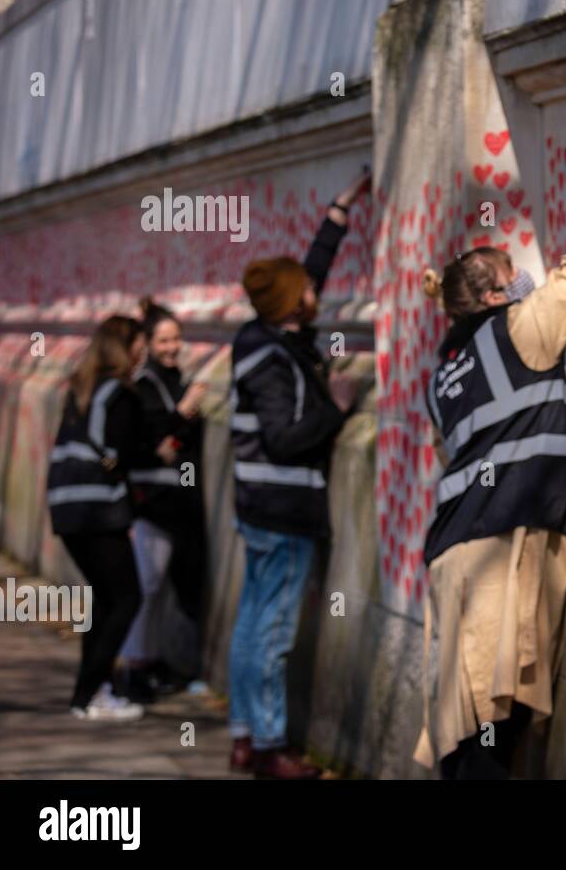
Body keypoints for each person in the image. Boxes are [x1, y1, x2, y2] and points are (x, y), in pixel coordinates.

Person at [412, 124, 566, 779]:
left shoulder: (442, 369)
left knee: (476, 729)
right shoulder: (521, 328)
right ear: (495, 293)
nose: (529, 281)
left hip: (459, 549)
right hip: (497, 549)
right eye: (516, 276)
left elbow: (499, 424)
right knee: (484, 738)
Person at [226, 168, 370, 779]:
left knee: (252, 623)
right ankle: (269, 748)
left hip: (261, 507)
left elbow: (309, 271)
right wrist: (336, 410)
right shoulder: (273, 360)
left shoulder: (263, 337)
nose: (316, 291)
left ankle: (244, 735)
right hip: (283, 510)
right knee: (272, 633)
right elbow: (285, 438)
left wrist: (341, 209)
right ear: (295, 304)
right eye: (306, 290)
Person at [47, 315, 148, 721]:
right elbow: (127, 452)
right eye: (139, 344)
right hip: (99, 507)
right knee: (126, 598)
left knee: (104, 600)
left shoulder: (81, 389)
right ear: (127, 349)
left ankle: (89, 694)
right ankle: (91, 692)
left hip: (67, 505)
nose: (141, 353)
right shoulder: (120, 394)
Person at [119, 297, 209, 702]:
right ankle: (134, 667)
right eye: (164, 340)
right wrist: (182, 416)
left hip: (182, 503)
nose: (172, 347)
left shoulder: (177, 381)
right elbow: (150, 444)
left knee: (176, 586)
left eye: (177, 339)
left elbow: (172, 443)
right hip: (153, 502)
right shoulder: (143, 387)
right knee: (147, 587)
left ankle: (159, 664)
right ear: (149, 344)